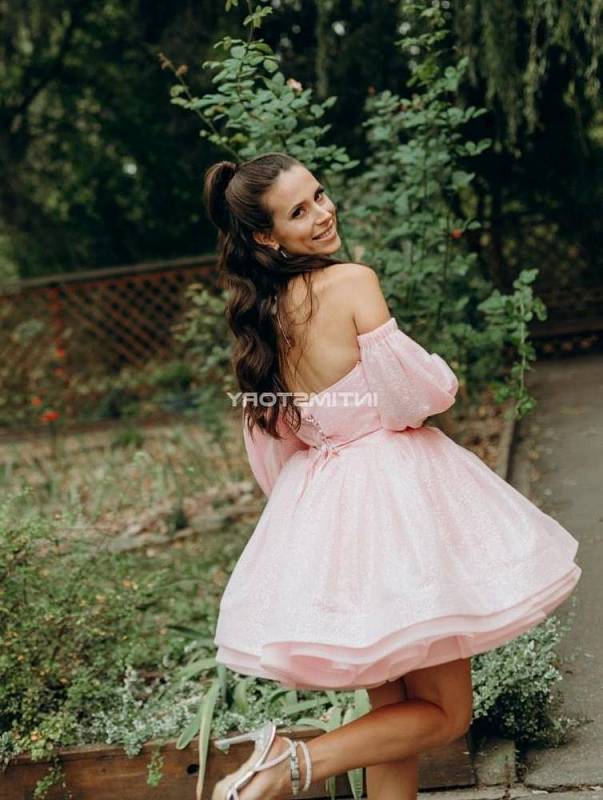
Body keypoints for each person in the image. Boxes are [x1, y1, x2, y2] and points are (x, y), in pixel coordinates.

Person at [201, 152, 581, 800]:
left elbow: (273, 447)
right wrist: (441, 378)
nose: (323, 213)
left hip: (330, 512)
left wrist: (306, 522)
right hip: (398, 501)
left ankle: (289, 763)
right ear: (267, 236)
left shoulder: (262, 317)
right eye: (300, 211)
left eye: (320, 195)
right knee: (446, 714)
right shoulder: (352, 282)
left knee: (395, 715)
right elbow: (412, 399)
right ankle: (289, 762)